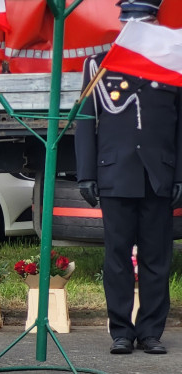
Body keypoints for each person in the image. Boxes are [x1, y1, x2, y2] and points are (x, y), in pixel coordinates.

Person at [75, 0, 181, 355]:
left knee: (156, 259)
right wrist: (86, 174)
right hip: (116, 173)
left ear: (152, 22)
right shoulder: (99, 63)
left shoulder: (171, 63)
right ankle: (120, 330)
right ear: (122, 23)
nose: (136, 27)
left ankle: (151, 332)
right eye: (131, 22)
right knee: (116, 258)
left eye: (144, 21)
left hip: (158, 176)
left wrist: (179, 173)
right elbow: (86, 121)